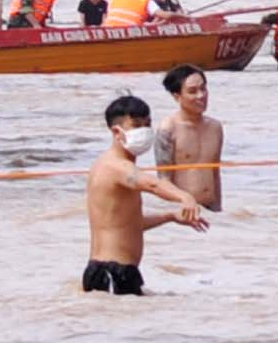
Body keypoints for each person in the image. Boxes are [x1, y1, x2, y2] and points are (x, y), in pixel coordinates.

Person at [84, 94, 208, 295]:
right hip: (113, 273)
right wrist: (185, 197)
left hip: (108, 270)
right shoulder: (117, 167)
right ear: (117, 132)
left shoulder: (108, 165)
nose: (144, 131)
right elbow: (152, 184)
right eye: (136, 126)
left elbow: (127, 225)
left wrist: (170, 217)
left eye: (147, 124)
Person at [155, 64, 223, 212]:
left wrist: (219, 210)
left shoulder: (215, 127)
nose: (201, 96)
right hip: (183, 210)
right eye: (192, 91)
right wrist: (185, 200)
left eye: (203, 89)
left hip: (211, 208)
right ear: (177, 96)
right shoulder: (168, 129)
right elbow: (163, 180)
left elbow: (215, 174)